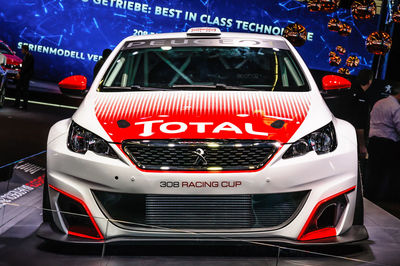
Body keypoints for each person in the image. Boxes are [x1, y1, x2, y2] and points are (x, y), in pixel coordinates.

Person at [366, 84, 400, 200]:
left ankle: (368, 195)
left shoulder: (379, 102)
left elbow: (370, 118)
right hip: (388, 143)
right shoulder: (395, 106)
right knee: (387, 172)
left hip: (373, 141)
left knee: (373, 169)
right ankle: (383, 198)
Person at [347, 69, 374, 159]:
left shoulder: (349, 91)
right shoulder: (362, 97)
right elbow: (359, 123)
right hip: (354, 140)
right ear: (370, 81)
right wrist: (362, 145)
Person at [15, 44, 34, 110]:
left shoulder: (30, 57)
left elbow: (26, 67)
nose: (21, 50)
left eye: (22, 49)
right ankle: (16, 104)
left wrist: (20, 73)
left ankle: (24, 106)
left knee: (25, 91)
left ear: (25, 49)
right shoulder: (26, 56)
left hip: (26, 76)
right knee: (18, 88)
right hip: (23, 76)